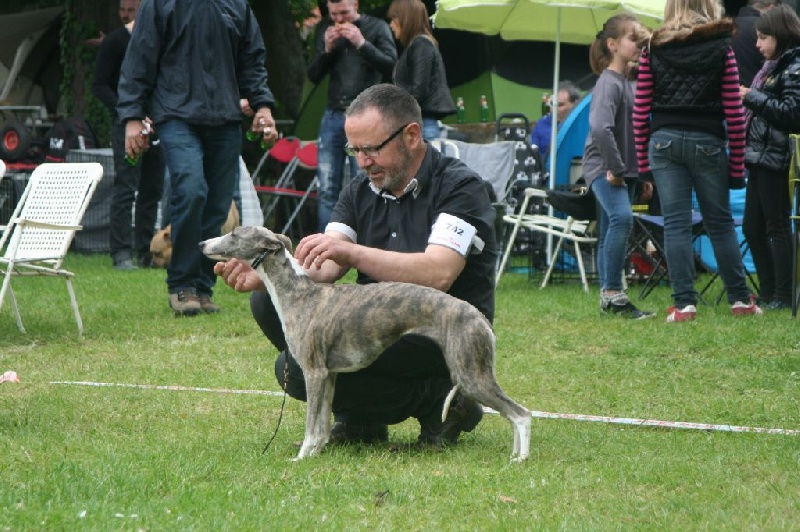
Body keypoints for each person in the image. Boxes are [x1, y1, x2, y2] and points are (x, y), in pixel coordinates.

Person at [214, 84, 497, 447]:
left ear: (411, 136)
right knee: (278, 329)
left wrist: (353, 253)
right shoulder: (360, 190)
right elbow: (326, 267)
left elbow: (438, 272)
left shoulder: (460, 187)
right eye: (354, 150)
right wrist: (268, 276)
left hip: (440, 335)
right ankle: (362, 419)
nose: (362, 161)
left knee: (299, 371)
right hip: (375, 326)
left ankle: (441, 399)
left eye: (372, 149)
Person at [117, 0, 277, 316]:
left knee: (218, 205)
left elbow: (252, 61)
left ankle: (203, 288)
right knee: (191, 191)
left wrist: (263, 107)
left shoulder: (237, 6)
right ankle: (182, 285)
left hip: (225, 117)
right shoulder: (159, 4)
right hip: (175, 115)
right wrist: (132, 117)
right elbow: (139, 59)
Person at [633, 0, 763, 322]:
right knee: (719, 223)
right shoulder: (722, 48)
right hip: (708, 142)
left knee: (675, 224)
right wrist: (736, 171)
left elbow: (640, 112)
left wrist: (643, 167)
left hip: (663, 141)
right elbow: (734, 113)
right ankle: (740, 301)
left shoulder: (653, 47)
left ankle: (684, 306)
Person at [583, 14, 654, 319]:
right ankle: (613, 294)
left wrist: (643, 173)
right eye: (633, 39)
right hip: (604, 167)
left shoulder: (627, 82)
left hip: (623, 168)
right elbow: (600, 128)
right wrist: (617, 168)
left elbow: (635, 130)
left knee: (613, 225)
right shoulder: (608, 83)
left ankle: (608, 298)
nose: (640, 45)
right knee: (622, 218)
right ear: (612, 45)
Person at [307, 0, 397, 232]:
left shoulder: (377, 27)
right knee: (327, 186)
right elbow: (313, 75)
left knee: (367, 182)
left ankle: (367, 240)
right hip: (334, 113)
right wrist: (326, 50)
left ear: (356, 4)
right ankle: (327, 244)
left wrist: (361, 43)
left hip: (367, 115)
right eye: (334, 14)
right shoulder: (325, 29)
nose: (339, 20)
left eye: (345, 13)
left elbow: (392, 66)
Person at [92, 4, 165, 271]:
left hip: (158, 124)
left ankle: (147, 252)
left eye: (131, 8)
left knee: (152, 189)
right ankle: (121, 253)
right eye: (122, 8)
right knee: (125, 188)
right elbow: (99, 84)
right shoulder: (114, 41)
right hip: (125, 125)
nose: (125, 13)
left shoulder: (160, 39)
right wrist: (126, 113)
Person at [740, 5, 800, 310]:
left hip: (777, 158)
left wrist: (751, 96)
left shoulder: (795, 67)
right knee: (752, 227)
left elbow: (793, 114)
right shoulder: (776, 67)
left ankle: (783, 294)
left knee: (776, 226)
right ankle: (768, 291)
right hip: (760, 156)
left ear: (780, 35)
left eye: (763, 37)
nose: (758, 44)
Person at [387, 0, 456, 141]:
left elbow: (419, 90)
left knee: (425, 163)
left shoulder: (421, 44)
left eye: (394, 19)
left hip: (423, 126)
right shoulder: (416, 45)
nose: (391, 25)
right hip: (419, 124)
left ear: (405, 19)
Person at [732, 0, 783, 88]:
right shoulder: (768, 28)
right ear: (771, 8)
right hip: (756, 94)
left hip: (730, 93)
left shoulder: (728, 27)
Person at [530, 80, 580, 162]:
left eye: (560, 105)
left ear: (576, 104)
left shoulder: (583, 125)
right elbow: (533, 152)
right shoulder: (541, 124)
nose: (554, 109)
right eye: (552, 104)